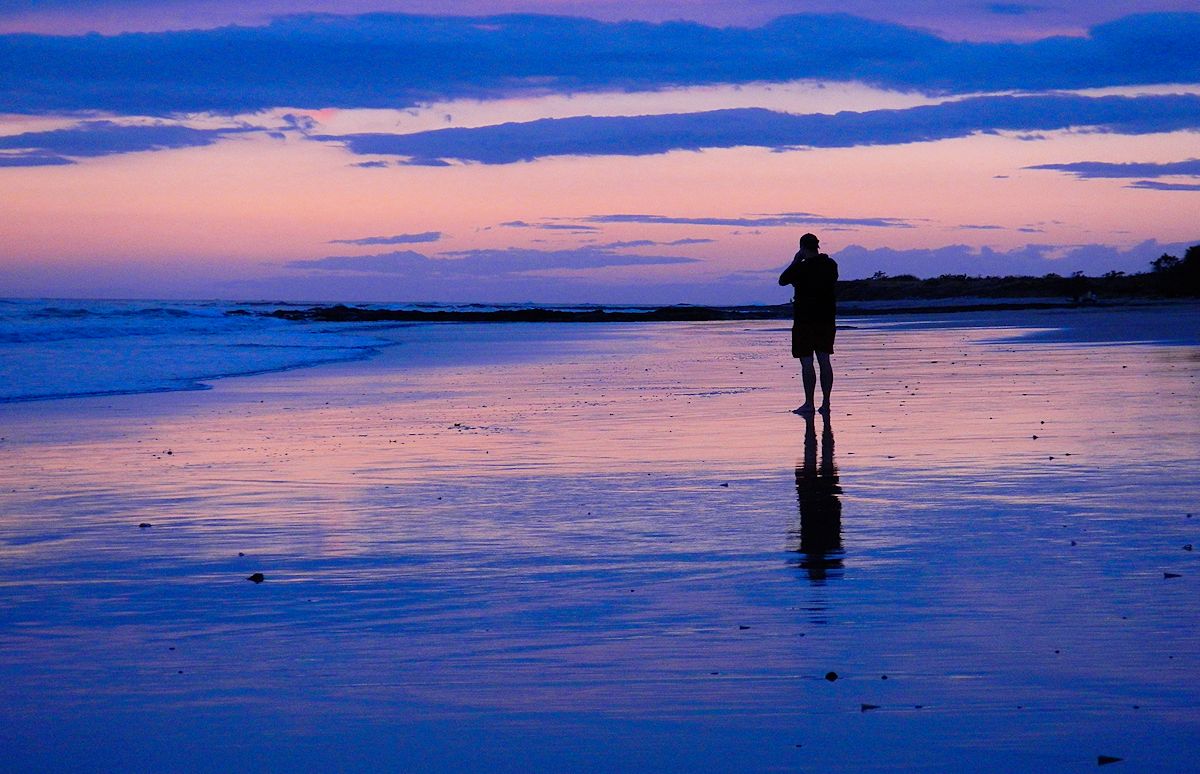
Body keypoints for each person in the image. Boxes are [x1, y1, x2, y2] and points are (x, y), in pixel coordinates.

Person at [778, 233, 838, 415]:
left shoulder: (800, 267)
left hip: (804, 320)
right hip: (826, 318)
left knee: (807, 362)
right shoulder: (830, 265)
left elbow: (782, 280)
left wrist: (796, 260)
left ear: (803, 248)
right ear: (817, 247)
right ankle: (826, 403)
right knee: (824, 360)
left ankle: (809, 403)